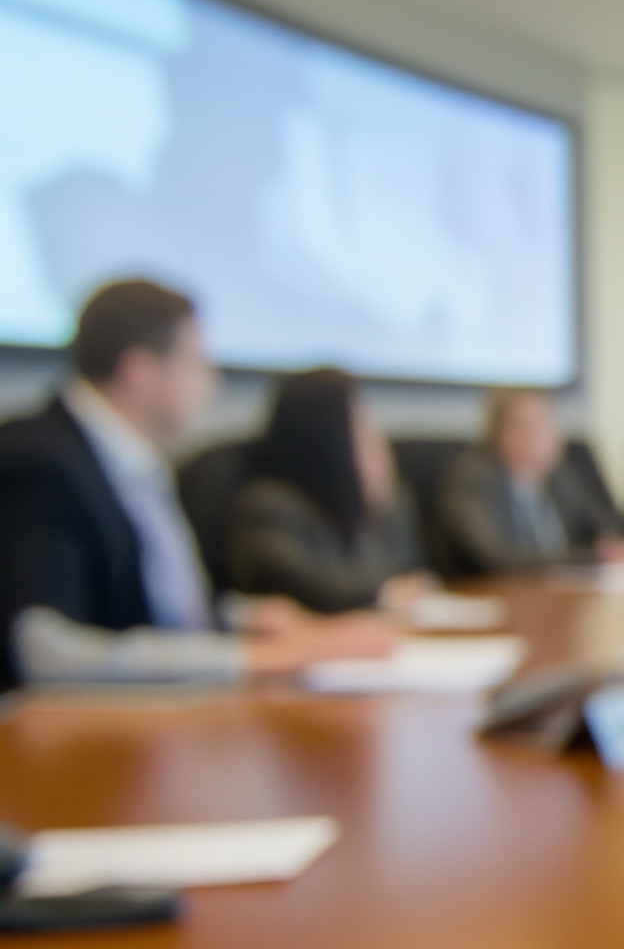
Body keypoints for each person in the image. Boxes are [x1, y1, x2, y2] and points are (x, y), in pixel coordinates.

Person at [0, 281, 392, 690]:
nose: (211, 384)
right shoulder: (42, 463)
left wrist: (245, 619)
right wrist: (254, 657)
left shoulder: (131, 461)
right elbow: (45, 651)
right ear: (139, 371)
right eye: (195, 364)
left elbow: (156, 611)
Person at [226, 369, 431, 613]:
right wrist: (382, 594)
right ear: (325, 439)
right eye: (361, 432)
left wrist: (384, 505)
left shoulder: (356, 510)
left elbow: (405, 575)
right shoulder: (267, 507)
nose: (378, 446)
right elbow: (315, 590)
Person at [437, 389, 624, 574]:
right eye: (527, 425)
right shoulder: (471, 477)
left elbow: (604, 526)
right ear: (498, 432)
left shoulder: (561, 476)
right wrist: (593, 557)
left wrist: (617, 547)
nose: (538, 436)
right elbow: (493, 558)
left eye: (546, 423)